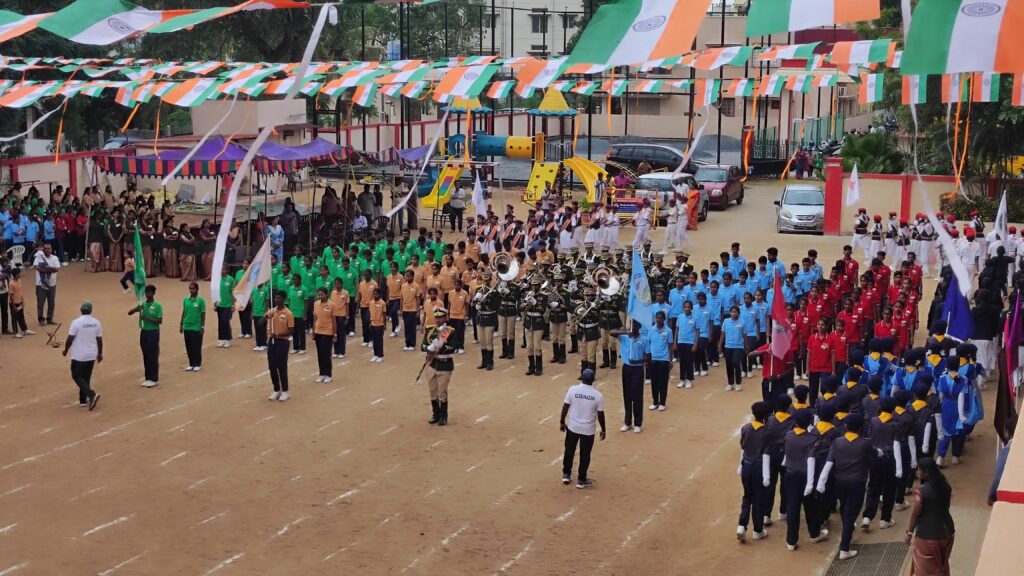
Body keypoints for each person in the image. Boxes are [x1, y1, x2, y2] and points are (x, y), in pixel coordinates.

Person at [816, 412, 872, 560]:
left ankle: (848, 528)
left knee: (844, 508)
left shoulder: (837, 442)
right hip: (857, 483)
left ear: (845, 426)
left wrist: (821, 481)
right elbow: (874, 453)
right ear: (861, 428)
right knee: (851, 513)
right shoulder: (865, 444)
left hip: (840, 482)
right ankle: (844, 549)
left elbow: (829, 462)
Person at [782, 409, 830, 550]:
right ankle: (814, 534)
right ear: (809, 422)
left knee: (792, 506)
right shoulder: (813, 439)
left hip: (790, 475)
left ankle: (791, 541)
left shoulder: (788, 436)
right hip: (806, 476)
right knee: (810, 505)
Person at [906, 458, 955, 575]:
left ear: (926, 473)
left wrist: (909, 533)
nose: (918, 472)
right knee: (942, 565)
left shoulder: (922, 493)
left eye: (919, 470)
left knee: (926, 570)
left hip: (928, 537)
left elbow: (916, 514)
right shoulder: (946, 487)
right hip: (947, 534)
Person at [560, 368, 607, 489]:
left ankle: (566, 474)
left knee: (569, 450)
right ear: (593, 380)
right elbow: (600, 414)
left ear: (581, 378)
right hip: (588, 430)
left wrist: (562, 421)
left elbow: (565, 407)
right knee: (585, 454)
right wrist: (603, 429)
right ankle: (581, 479)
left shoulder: (573, 389)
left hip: (573, 427)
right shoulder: (598, 395)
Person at [737, 401, 772, 543]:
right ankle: (757, 530)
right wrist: (766, 476)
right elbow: (766, 454)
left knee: (747, 496)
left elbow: (743, 447)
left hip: (746, 466)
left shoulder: (745, 428)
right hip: (758, 468)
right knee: (758, 499)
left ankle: (741, 525)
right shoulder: (766, 433)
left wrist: (740, 466)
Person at [62, 301, 102, 411]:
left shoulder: (76, 323)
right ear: (91, 311)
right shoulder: (96, 322)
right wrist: (100, 353)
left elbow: (70, 338)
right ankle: (83, 400)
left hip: (79, 355)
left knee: (76, 376)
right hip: (91, 354)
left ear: (81, 310)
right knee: (86, 376)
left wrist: (65, 350)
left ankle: (91, 394)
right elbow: (99, 340)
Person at [612, 322, 648, 433]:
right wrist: (626, 332)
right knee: (627, 395)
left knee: (637, 396)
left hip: (638, 369)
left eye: (635, 326)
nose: (633, 328)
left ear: (639, 327)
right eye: (632, 326)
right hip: (627, 368)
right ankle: (627, 422)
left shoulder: (644, 340)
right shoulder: (625, 337)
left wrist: (636, 361)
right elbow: (612, 332)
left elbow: (648, 357)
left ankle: (638, 423)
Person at [423, 307, 456, 426]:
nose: (438, 320)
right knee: (433, 392)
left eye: (441, 318)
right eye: (437, 318)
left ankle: (443, 416)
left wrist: (439, 347)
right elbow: (423, 345)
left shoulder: (450, 331)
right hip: (432, 364)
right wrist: (429, 348)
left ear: (445, 318)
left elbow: (452, 347)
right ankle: (435, 415)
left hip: (445, 364)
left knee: (442, 393)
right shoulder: (431, 330)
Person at [128, 284, 163, 388]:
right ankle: (148, 378)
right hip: (144, 332)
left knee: (153, 355)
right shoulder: (143, 304)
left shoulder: (157, 306)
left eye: (150, 292)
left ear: (154, 293)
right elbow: (129, 313)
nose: (148, 294)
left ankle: (154, 379)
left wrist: (146, 318)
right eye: (146, 292)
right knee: (146, 355)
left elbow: (159, 321)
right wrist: (137, 309)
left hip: (153, 332)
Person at [266, 291, 294, 401]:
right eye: (275, 297)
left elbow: (291, 331)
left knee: (281, 366)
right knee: (272, 367)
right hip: (272, 342)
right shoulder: (272, 311)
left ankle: (285, 391)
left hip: (283, 342)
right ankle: (276, 389)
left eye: (278, 298)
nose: (276, 299)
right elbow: (260, 324)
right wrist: (267, 316)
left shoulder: (288, 313)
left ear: (284, 299)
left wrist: (277, 334)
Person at [647, 310, 673, 411]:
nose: (658, 320)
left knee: (663, 382)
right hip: (653, 359)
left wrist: (670, 360)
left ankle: (662, 403)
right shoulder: (651, 330)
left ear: (664, 319)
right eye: (657, 318)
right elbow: (648, 344)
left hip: (664, 360)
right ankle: (655, 402)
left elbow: (670, 346)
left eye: (660, 318)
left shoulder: (669, 331)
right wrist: (647, 359)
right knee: (654, 382)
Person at [180, 281, 206, 372]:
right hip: (187, 326)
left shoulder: (201, 300)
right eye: (190, 288)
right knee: (189, 346)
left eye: (193, 288)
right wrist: (181, 324)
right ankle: (191, 364)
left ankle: (197, 364)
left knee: (196, 346)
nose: (191, 290)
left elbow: (203, 314)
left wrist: (202, 327)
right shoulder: (186, 299)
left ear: (197, 289)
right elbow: (184, 312)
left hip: (196, 327)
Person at [312, 287, 336, 382]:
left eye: (322, 294)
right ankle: (322, 374)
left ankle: (328, 375)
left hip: (327, 332)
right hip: (318, 331)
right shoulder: (316, 304)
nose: (320, 296)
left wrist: (335, 334)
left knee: (326, 354)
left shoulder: (332, 305)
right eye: (319, 294)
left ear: (327, 294)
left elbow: (334, 321)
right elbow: (315, 319)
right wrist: (313, 332)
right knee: (320, 354)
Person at [33, 242, 60, 325]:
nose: (47, 250)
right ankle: (41, 319)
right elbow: (36, 267)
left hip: (52, 284)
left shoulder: (55, 258)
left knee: (51, 303)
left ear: (51, 249)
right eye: (46, 249)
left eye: (49, 249)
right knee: (40, 304)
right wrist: (50, 269)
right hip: (41, 284)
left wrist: (44, 269)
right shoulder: (39, 257)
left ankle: (49, 318)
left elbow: (57, 269)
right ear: (43, 250)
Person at [215, 264, 236, 348]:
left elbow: (232, 293)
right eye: (221, 269)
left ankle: (228, 339)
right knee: (220, 322)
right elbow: (215, 292)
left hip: (228, 304)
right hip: (219, 304)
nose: (222, 271)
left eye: (223, 269)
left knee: (225, 321)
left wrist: (233, 305)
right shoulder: (218, 279)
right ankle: (221, 339)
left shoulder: (231, 279)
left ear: (227, 270)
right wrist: (215, 304)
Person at [368, 287, 387, 363]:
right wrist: (370, 322)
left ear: (380, 294)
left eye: (377, 294)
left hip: (380, 324)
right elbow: (370, 313)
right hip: (373, 324)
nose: (375, 295)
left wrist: (384, 325)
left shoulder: (382, 303)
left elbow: (384, 314)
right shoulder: (371, 303)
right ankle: (375, 355)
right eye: (374, 294)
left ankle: (380, 355)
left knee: (379, 341)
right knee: (374, 341)